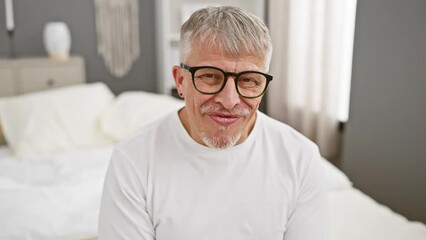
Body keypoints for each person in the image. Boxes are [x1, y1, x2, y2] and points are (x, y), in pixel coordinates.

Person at [98, 6, 326, 240]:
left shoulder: (301, 158)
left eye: (248, 80)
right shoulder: (133, 159)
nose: (229, 101)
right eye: (210, 76)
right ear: (180, 81)